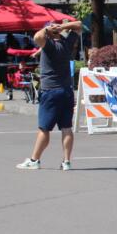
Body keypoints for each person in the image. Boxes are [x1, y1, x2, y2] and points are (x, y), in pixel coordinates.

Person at [16, 19, 82, 171]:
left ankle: (34, 160)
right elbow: (78, 25)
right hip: (66, 91)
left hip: (51, 91)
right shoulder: (66, 43)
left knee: (44, 129)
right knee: (66, 128)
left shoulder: (50, 45)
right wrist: (63, 26)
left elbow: (37, 37)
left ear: (50, 34)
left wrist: (47, 30)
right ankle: (66, 162)